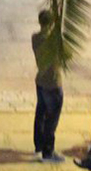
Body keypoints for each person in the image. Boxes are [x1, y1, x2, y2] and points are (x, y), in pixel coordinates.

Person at [32, 10, 65, 163]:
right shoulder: (54, 41)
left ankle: (39, 146)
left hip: (41, 80)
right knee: (51, 120)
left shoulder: (35, 38)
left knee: (40, 114)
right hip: (52, 83)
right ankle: (48, 152)